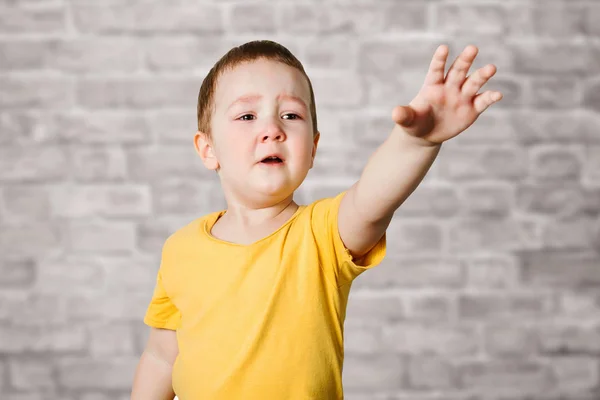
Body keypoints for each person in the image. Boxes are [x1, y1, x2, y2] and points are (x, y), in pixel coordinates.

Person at [130, 39, 502, 399]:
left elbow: (373, 198)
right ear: (208, 149)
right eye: (247, 115)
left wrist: (416, 143)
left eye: (291, 115)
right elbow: (163, 355)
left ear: (312, 148)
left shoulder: (323, 232)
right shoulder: (181, 248)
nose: (272, 129)